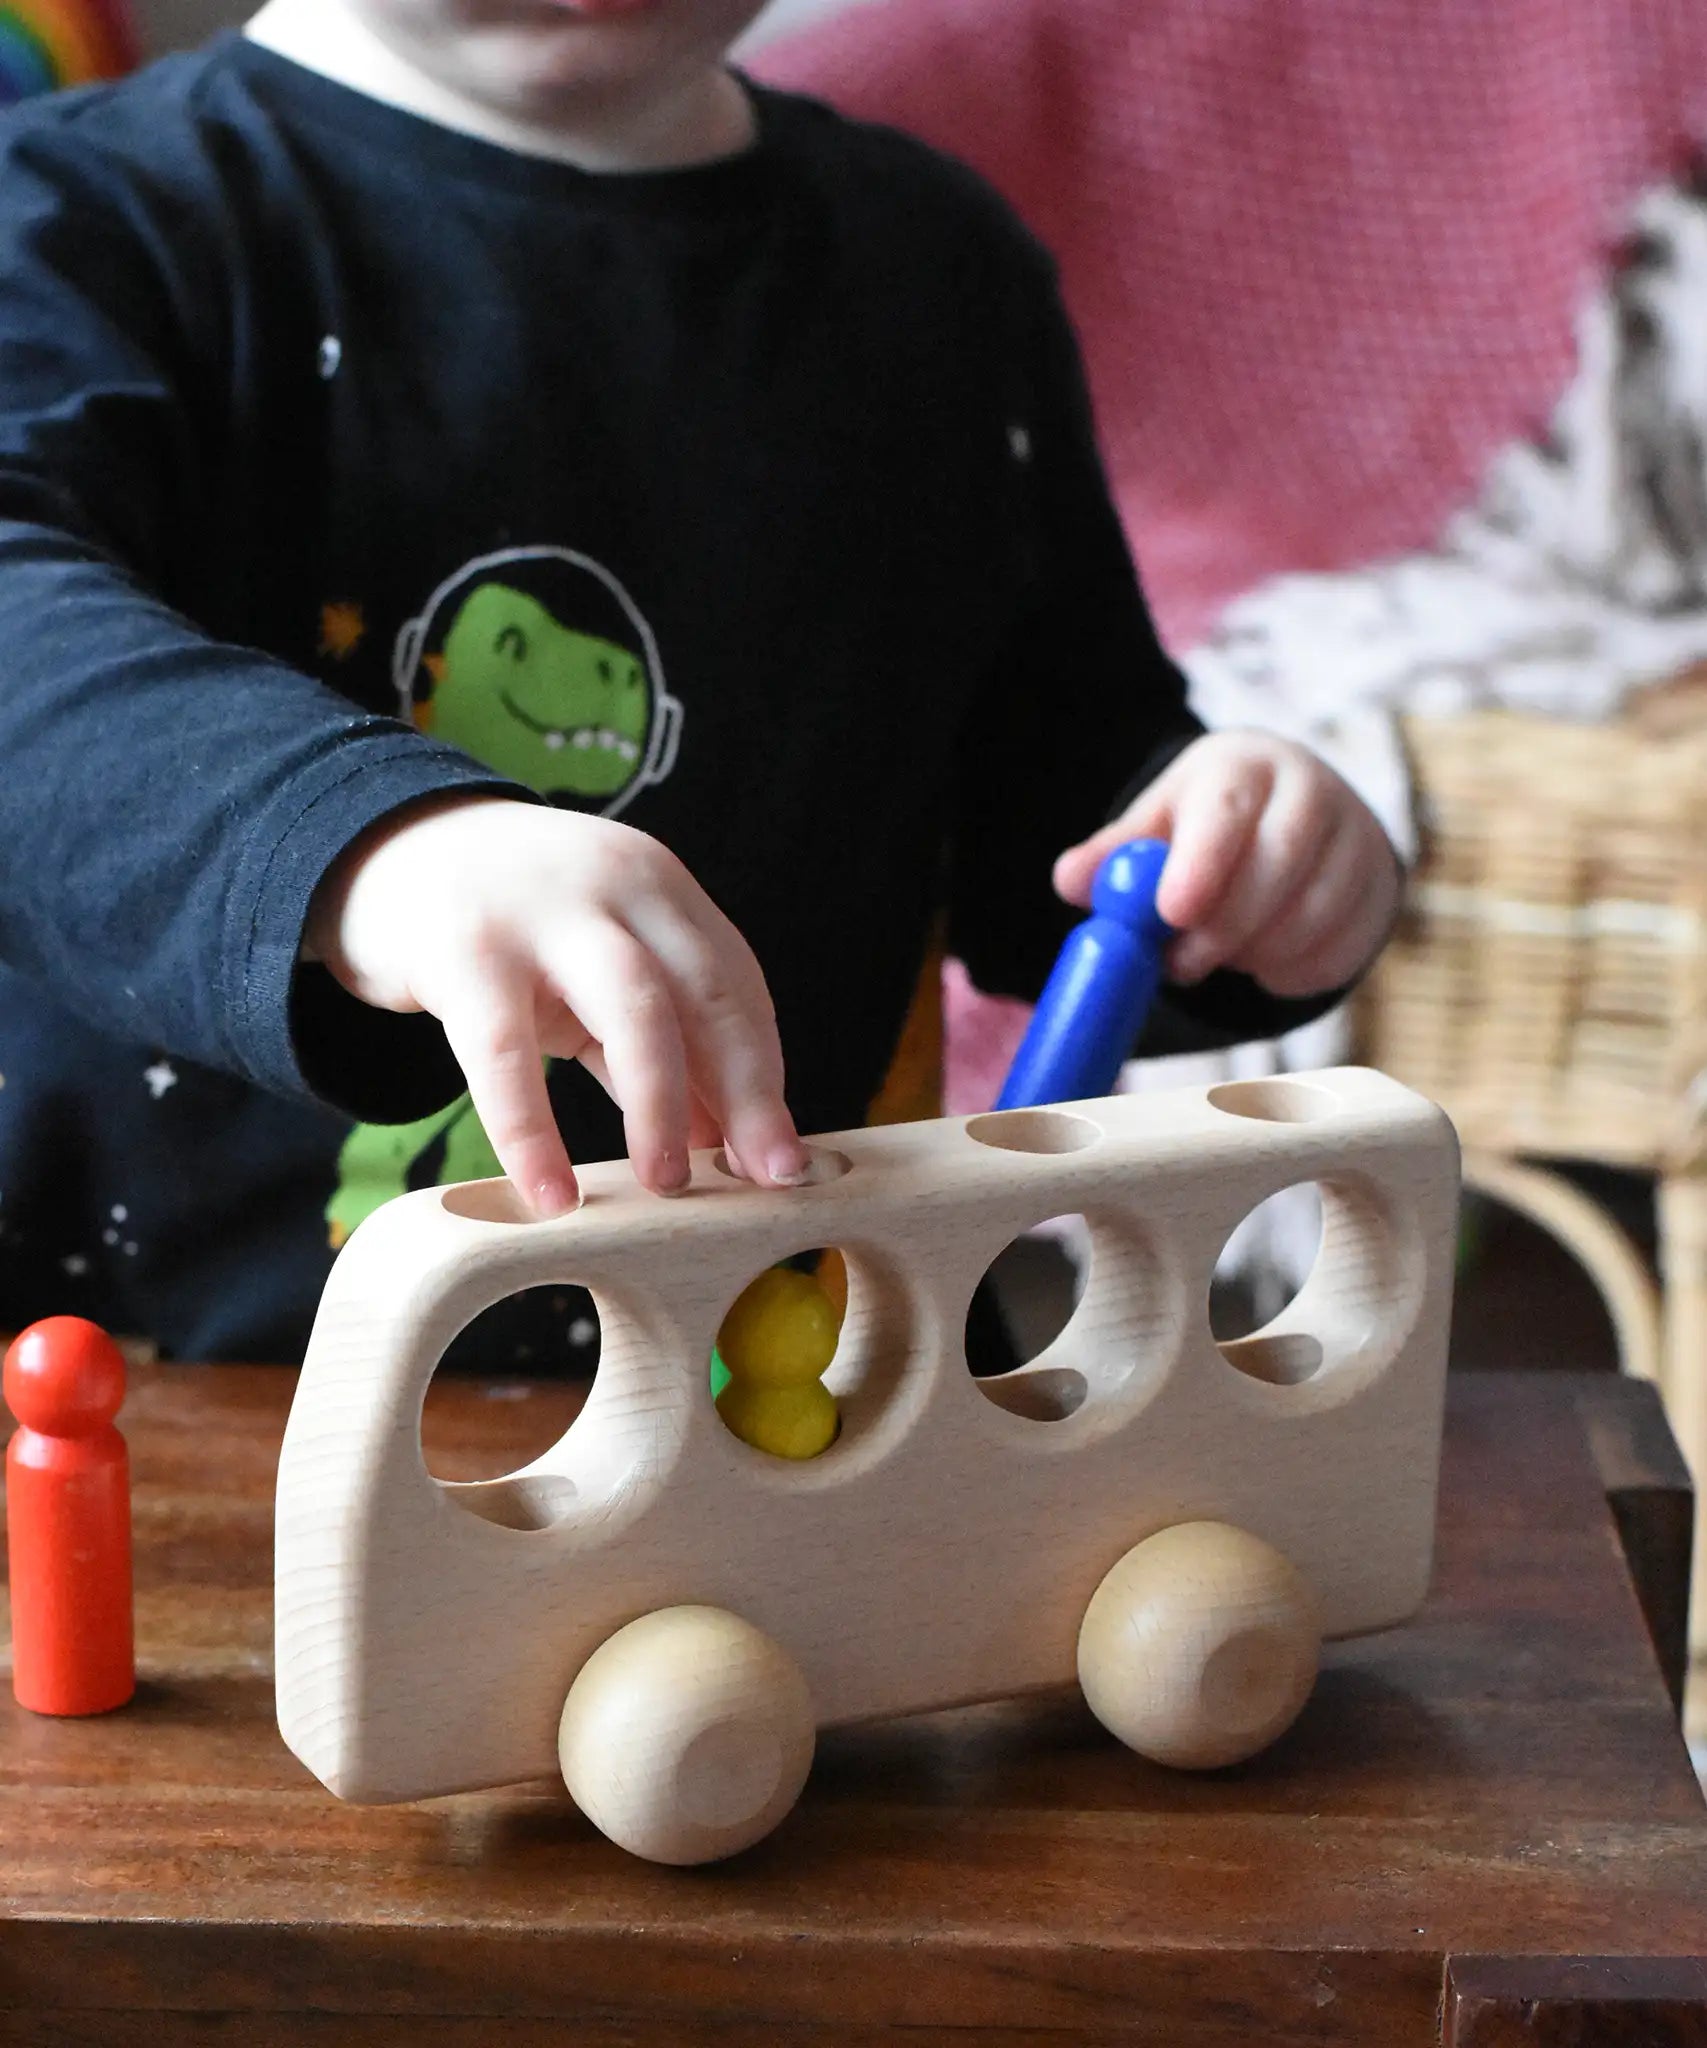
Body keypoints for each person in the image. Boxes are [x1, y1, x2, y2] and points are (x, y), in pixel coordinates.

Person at [0, 0, 1400, 1367]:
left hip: (794, 1422)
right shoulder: (78, 213)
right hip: (173, 1419)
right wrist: (369, 853)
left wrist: (1234, 861)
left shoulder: (939, 269)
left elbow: (1068, 815)